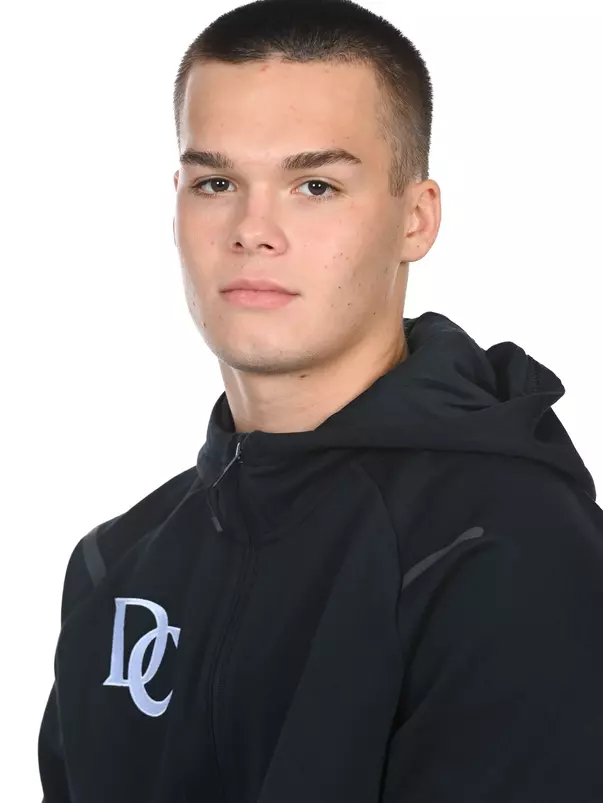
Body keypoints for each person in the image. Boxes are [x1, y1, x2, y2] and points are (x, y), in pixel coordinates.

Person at [38, 0, 603, 801]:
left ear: (415, 218)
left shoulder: (506, 550)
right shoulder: (114, 567)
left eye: (313, 184)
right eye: (216, 181)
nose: (252, 228)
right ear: (175, 205)